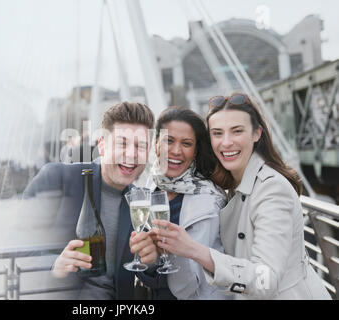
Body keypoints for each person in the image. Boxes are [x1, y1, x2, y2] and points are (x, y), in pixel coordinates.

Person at [152, 93, 331, 299]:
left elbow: (266, 280)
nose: (226, 142)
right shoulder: (231, 184)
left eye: (237, 131)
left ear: (257, 133)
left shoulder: (272, 189)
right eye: (217, 133)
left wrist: (194, 250)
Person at [23, 101, 157, 300]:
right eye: (122, 143)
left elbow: (149, 278)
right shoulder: (56, 178)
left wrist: (152, 263)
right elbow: (17, 249)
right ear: (102, 146)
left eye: (141, 146)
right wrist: (54, 265)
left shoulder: (140, 203)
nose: (131, 154)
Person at [129, 106, 229, 300]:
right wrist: (148, 259)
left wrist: (174, 250)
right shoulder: (151, 184)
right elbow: (150, 268)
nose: (176, 151)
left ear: (195, 150)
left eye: (186, 143)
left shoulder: (209, 201)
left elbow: (187, 287)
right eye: (169, 140)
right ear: (156, 144)